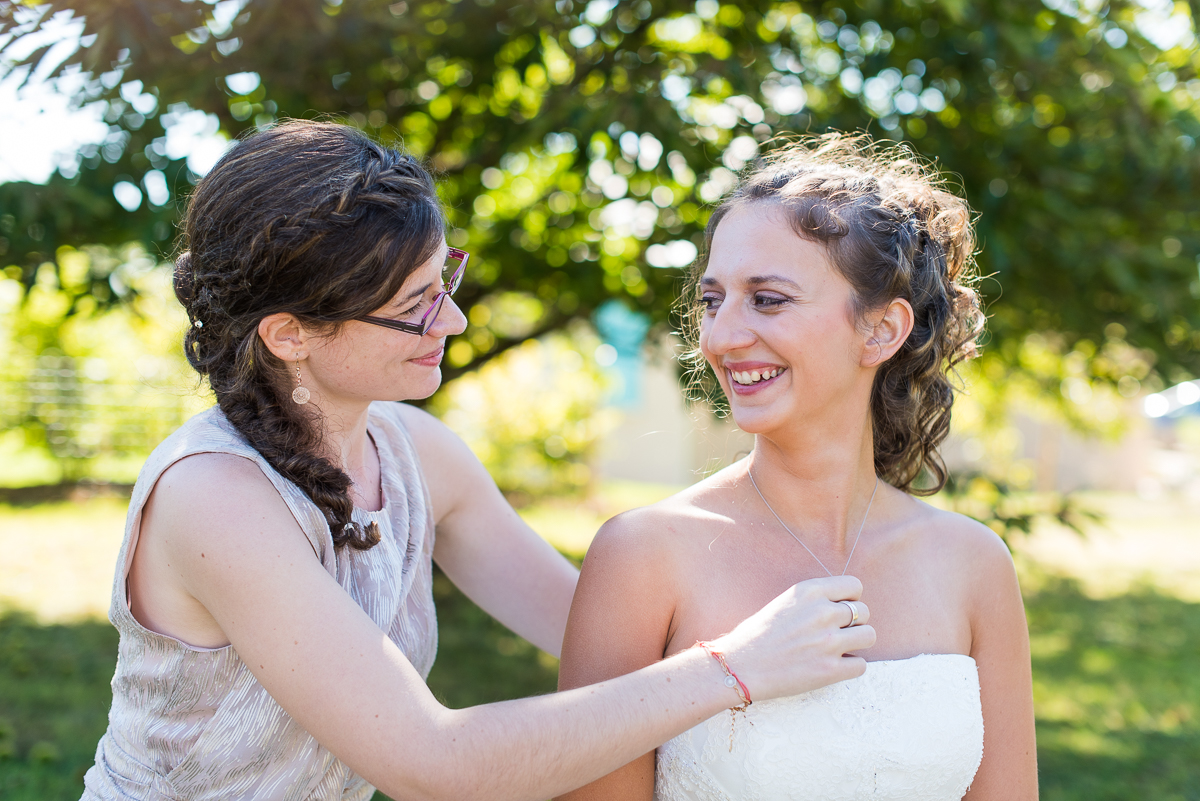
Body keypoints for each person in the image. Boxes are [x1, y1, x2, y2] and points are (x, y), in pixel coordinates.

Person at [79, 121, 878, 801]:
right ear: (289, 334)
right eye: (413, 307)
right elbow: (433, 761)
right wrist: (730, 668)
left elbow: (604, 630)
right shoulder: (214, 496)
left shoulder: (415, 452)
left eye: (443, 280)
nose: (452, 319)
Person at [556, 134, 1038, 801]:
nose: (721, 337)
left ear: (881, 331)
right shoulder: (643, 555)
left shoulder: (974, 563)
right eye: (712, 300)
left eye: (768, 299)